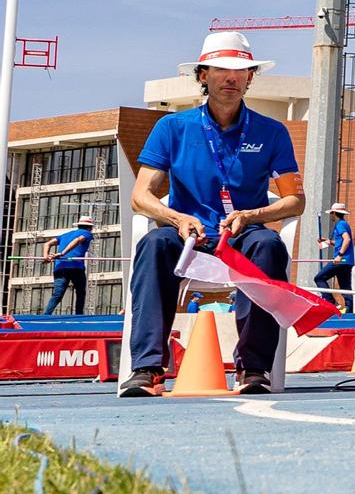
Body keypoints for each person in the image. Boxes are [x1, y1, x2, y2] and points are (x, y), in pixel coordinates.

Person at [119, 32, 304, 397]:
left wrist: (252, 215)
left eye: (240, 71)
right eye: (221, 70)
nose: (231, 78)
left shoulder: (272, 131)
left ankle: (254, 369)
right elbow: (140, 197)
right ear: (203, 75)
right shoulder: (172, 127)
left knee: (269, 245)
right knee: (154, 243)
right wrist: (176, 218)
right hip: (186, 235)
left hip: (241, 234)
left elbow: (293, 202)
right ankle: (147, 368)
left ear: (251, 77)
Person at [41, 215, 95, 315]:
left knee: (58, 294)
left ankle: (46, 315)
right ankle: (79, 316)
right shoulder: (87, 233)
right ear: (90, 227)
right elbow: (78, 240)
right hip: (76, 267)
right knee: (80, 293)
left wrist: (46, 256)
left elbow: (47, 244)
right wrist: (62, 253)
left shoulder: (65, 235)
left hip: (60, 267)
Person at [314, 202, 355, 313]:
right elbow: (340, 241)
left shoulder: (340, 224)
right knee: (345, 286)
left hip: (341, 260)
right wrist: (327, 241)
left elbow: (347, 239)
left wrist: (340, 255)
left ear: (334, 213)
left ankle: (330, 302)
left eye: (331, 214)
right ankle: (349, 310)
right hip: (347, 261)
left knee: (319, 278)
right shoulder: (344, 224)